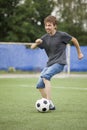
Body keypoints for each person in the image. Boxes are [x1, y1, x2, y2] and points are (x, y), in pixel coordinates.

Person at [30, 15, 84, 110]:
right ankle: (49, 104)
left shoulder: (62, 35)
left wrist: (79, 53)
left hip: (59, 63)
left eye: (49, 25)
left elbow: (74, 40)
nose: (47, 27)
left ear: (55, 26)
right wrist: (37, 42)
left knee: (46, 77)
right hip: (49, 64)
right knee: (39, 85)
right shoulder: (45, 38)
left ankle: (48, 102)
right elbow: (32, 47)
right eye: (46, 25)